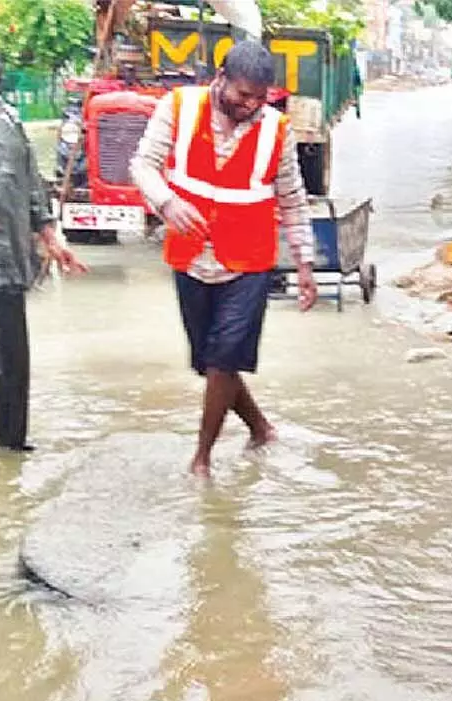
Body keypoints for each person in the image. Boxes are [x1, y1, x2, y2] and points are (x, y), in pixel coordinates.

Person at [130, 41, 318, 478]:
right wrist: (167, 203)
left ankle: (202, 460)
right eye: (242, 95)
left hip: (248, 263)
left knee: (225, 359)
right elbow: (143, 165)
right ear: (220, 79)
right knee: (208, 362)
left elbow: (292, 198)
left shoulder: (277, 129)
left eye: (259, 98)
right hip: (191, 257)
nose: (250, 105)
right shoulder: (178, 107)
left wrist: (305, 265)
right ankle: (261, 428)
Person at [0, 24, 87, 452]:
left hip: (6, 266)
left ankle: (8, 446)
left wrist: (51, 237)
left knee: (11, 367)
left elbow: (31, 190)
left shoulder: (9, 121)